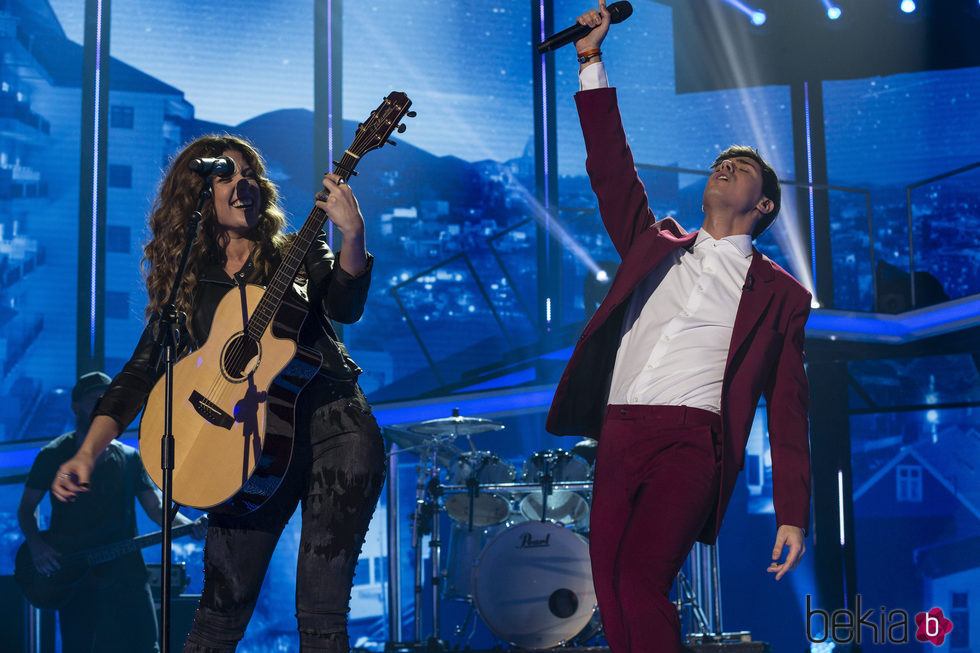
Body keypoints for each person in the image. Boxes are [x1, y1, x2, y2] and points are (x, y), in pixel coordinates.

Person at [50, 135, 387, 652]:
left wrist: (353, 232)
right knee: (216, 615)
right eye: (226, 177)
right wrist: (87, 453)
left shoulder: (300, 252)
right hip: (242, 446)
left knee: (321, 616)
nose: (242, 186)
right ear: (198, 196)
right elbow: (140, 373)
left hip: (334, 428)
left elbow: (345, 308)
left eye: (249, 174)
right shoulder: (188, 280)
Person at [545, 3, 813, 651]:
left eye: (742, 166)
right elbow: (611, 167)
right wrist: (589, 59)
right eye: (721, 161)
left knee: (640, 578)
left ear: (765, 203)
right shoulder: (654, 240)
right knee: (607, 587)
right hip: (619, 430)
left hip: (690, 442)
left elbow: (787, 409)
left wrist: (793, 513)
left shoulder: (780, 294)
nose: (726, 166)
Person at [18, 371, 206, 653]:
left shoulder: (129, 458)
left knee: (147, 648)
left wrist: (191, 526)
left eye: (109, 400)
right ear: (76, 406)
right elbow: (26, 509)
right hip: (76, 578)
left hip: (127, 575)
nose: (103, 404)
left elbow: (156, 509)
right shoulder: (53, 455)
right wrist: (36, 546)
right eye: (96, 399)